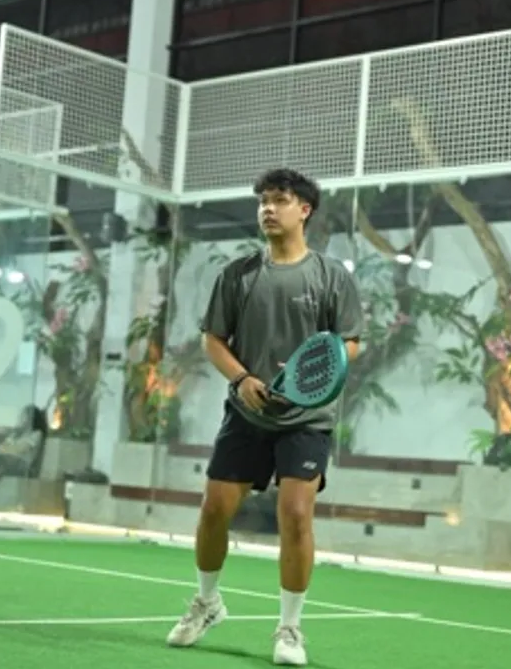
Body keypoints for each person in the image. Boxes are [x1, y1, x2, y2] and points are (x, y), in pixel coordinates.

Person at [166, 169, 363, 665]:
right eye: (262, 202)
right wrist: (241, 380)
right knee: (214, 511)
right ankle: (207, 603)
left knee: (295, 514)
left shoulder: (332, 277)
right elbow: (214, 339)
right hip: (246, 413)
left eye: (279, 200)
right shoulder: (237, 275)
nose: (268, 210)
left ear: (305, 210)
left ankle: (289, 629)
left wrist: (312, 380)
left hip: (307, 420)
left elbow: (349, 344)